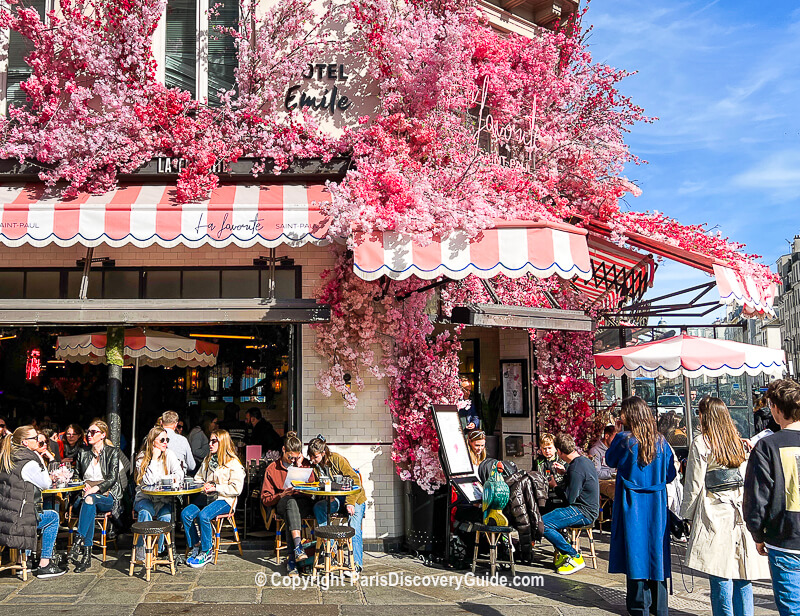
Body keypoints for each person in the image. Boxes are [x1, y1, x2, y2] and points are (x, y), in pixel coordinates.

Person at [681, 397, 769, 616]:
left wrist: (687, 516)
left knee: (719, 572)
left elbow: (694, 483)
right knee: (742, 574)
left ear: (703, 416)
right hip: (740, 509)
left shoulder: (702, 442)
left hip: (715, 510)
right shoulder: (738, 442)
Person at [606, 396, 676, 616]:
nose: (620, 416)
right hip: (655, 503)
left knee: (634, 552)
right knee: (656, 551)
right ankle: (659, 605)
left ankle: (639, 606)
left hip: (631, 502)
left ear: (631, 415)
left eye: (623, 412)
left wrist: (616, 433)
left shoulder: (625, 440)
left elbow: (609, 460)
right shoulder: (661, 441)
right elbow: (670, 474)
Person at [744, 379, 800, 616]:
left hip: (784, 539)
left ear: (776, 408)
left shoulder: (767, 446)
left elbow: (757, 498)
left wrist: (758, 533)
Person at [0, 425, 66, 578]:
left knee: (30, 511)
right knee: (53, 517)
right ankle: (45, 564)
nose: (38, 441)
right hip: (17, 524)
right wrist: (38, 456)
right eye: (35, 438)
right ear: (25, 443)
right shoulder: (28, 463)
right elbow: (45, 484)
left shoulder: (8, 457)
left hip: (4, 520)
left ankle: (25, 560)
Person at [182, 429, 244, 568]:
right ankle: (196, 545)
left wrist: (216, 487)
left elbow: (236, 489)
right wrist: (202, 485)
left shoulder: (233, 463)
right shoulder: (208, 460)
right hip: (207, 497)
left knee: (204, 515)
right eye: (210, 440)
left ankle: (206, 550)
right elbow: (198, 478)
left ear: (222, 443)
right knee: (186, 513)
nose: (210, 444)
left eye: (214, 441)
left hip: (225, 499)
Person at [68, 420, 122, 573]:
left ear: (103, 435)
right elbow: (76, 476)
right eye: (88, 432)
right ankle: (85, 555)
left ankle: (79, 543)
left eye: (93, 432)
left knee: (90, 500)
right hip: (85, 494)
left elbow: (112, 478)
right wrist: (82, 485)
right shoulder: (83, 452)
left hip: (105, 494)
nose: (89, 435)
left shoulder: (112, 452)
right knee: (88, 503)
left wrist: (96, 488)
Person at [541, 433, 599, 575]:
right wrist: (565, 472)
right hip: (587, 508)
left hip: (583, 511)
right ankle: (566, 554)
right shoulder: (583, 461)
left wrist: (554, 486)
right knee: (546, 521)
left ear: (559, 451)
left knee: (542, 524)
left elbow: (569, 498)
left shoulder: (575, 469)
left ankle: (573, 556)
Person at [307, 435, 366, 573]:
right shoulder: (316, 466)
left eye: (314, 456)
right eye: (310, 456)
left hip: (354, 498)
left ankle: (356, 564)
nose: (312, 460)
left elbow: (355, 480)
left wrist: (350, 503)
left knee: (354, 528)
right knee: (319, 507)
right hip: (337, 499)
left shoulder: (337, 459)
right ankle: (331, 551)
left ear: (322, 453)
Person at [260, 431, 314, 576]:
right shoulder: (273, 468)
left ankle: (293, 558)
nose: (292, 459)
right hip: (282, 502)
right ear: (283, 450)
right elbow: (265, 498)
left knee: (292, 512)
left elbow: (314, 487)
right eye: (290, 456)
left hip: (302, 503)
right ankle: (297, 550)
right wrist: (281, 494)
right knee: (290, 503)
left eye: (295, 457)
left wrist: (300, 466)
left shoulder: (304, 464)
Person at [133, 426, 184, 562]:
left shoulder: (170, 454)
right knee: (146, 511)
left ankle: (158, 549)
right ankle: (142, 549)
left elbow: (180, 473)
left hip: (163, 499)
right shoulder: (142, 458)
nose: (165, 442)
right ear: (152, 441)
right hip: (145, 498)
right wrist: (154, 459)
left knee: (167, 516)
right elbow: (148, 481)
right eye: (162, 440)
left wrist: (174, 477)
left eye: (167, 439)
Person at [535, 433, 568, 511]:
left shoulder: (563, 461)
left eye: (549, 448)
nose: (547, 451)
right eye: (544, 448)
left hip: (560, 496)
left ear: (555, 448)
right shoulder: (538, 462)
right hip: (544, 497)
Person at [589, 425, 617, 500]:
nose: (617, 441)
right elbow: (596, 473)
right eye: (615, 438)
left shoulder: (615, 449)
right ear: (607, 436)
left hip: (614, 479)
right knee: (616, 492)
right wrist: (613, 472)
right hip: (601, 481)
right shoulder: (595, 451)